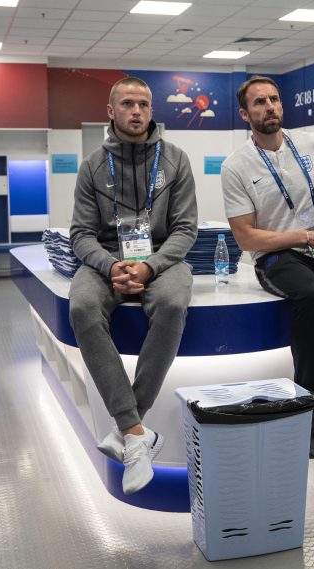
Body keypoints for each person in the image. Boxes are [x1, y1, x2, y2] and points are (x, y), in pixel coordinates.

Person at [219, 76, 314, 504]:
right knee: (310, 295)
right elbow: (247, 238)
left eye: (274, 99)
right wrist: (305, 238)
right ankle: (306, 408)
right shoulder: (237, 166)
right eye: (259, 103)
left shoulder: (310, 143)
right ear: (246, 115)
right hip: (277, 255)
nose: (270, 107)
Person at [69, 77, 198, 495]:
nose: (137, 111)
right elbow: (80, 234)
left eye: (143, 104)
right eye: (127, 103)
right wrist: (110, 266)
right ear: (111, 111)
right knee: (82, 307)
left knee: (174, 304)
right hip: (107, 258)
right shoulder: (92, 165)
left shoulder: (176, 160)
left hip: (162, 257)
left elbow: (185, 228)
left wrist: (150, 267)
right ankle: (137, 431)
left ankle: (128, 426)